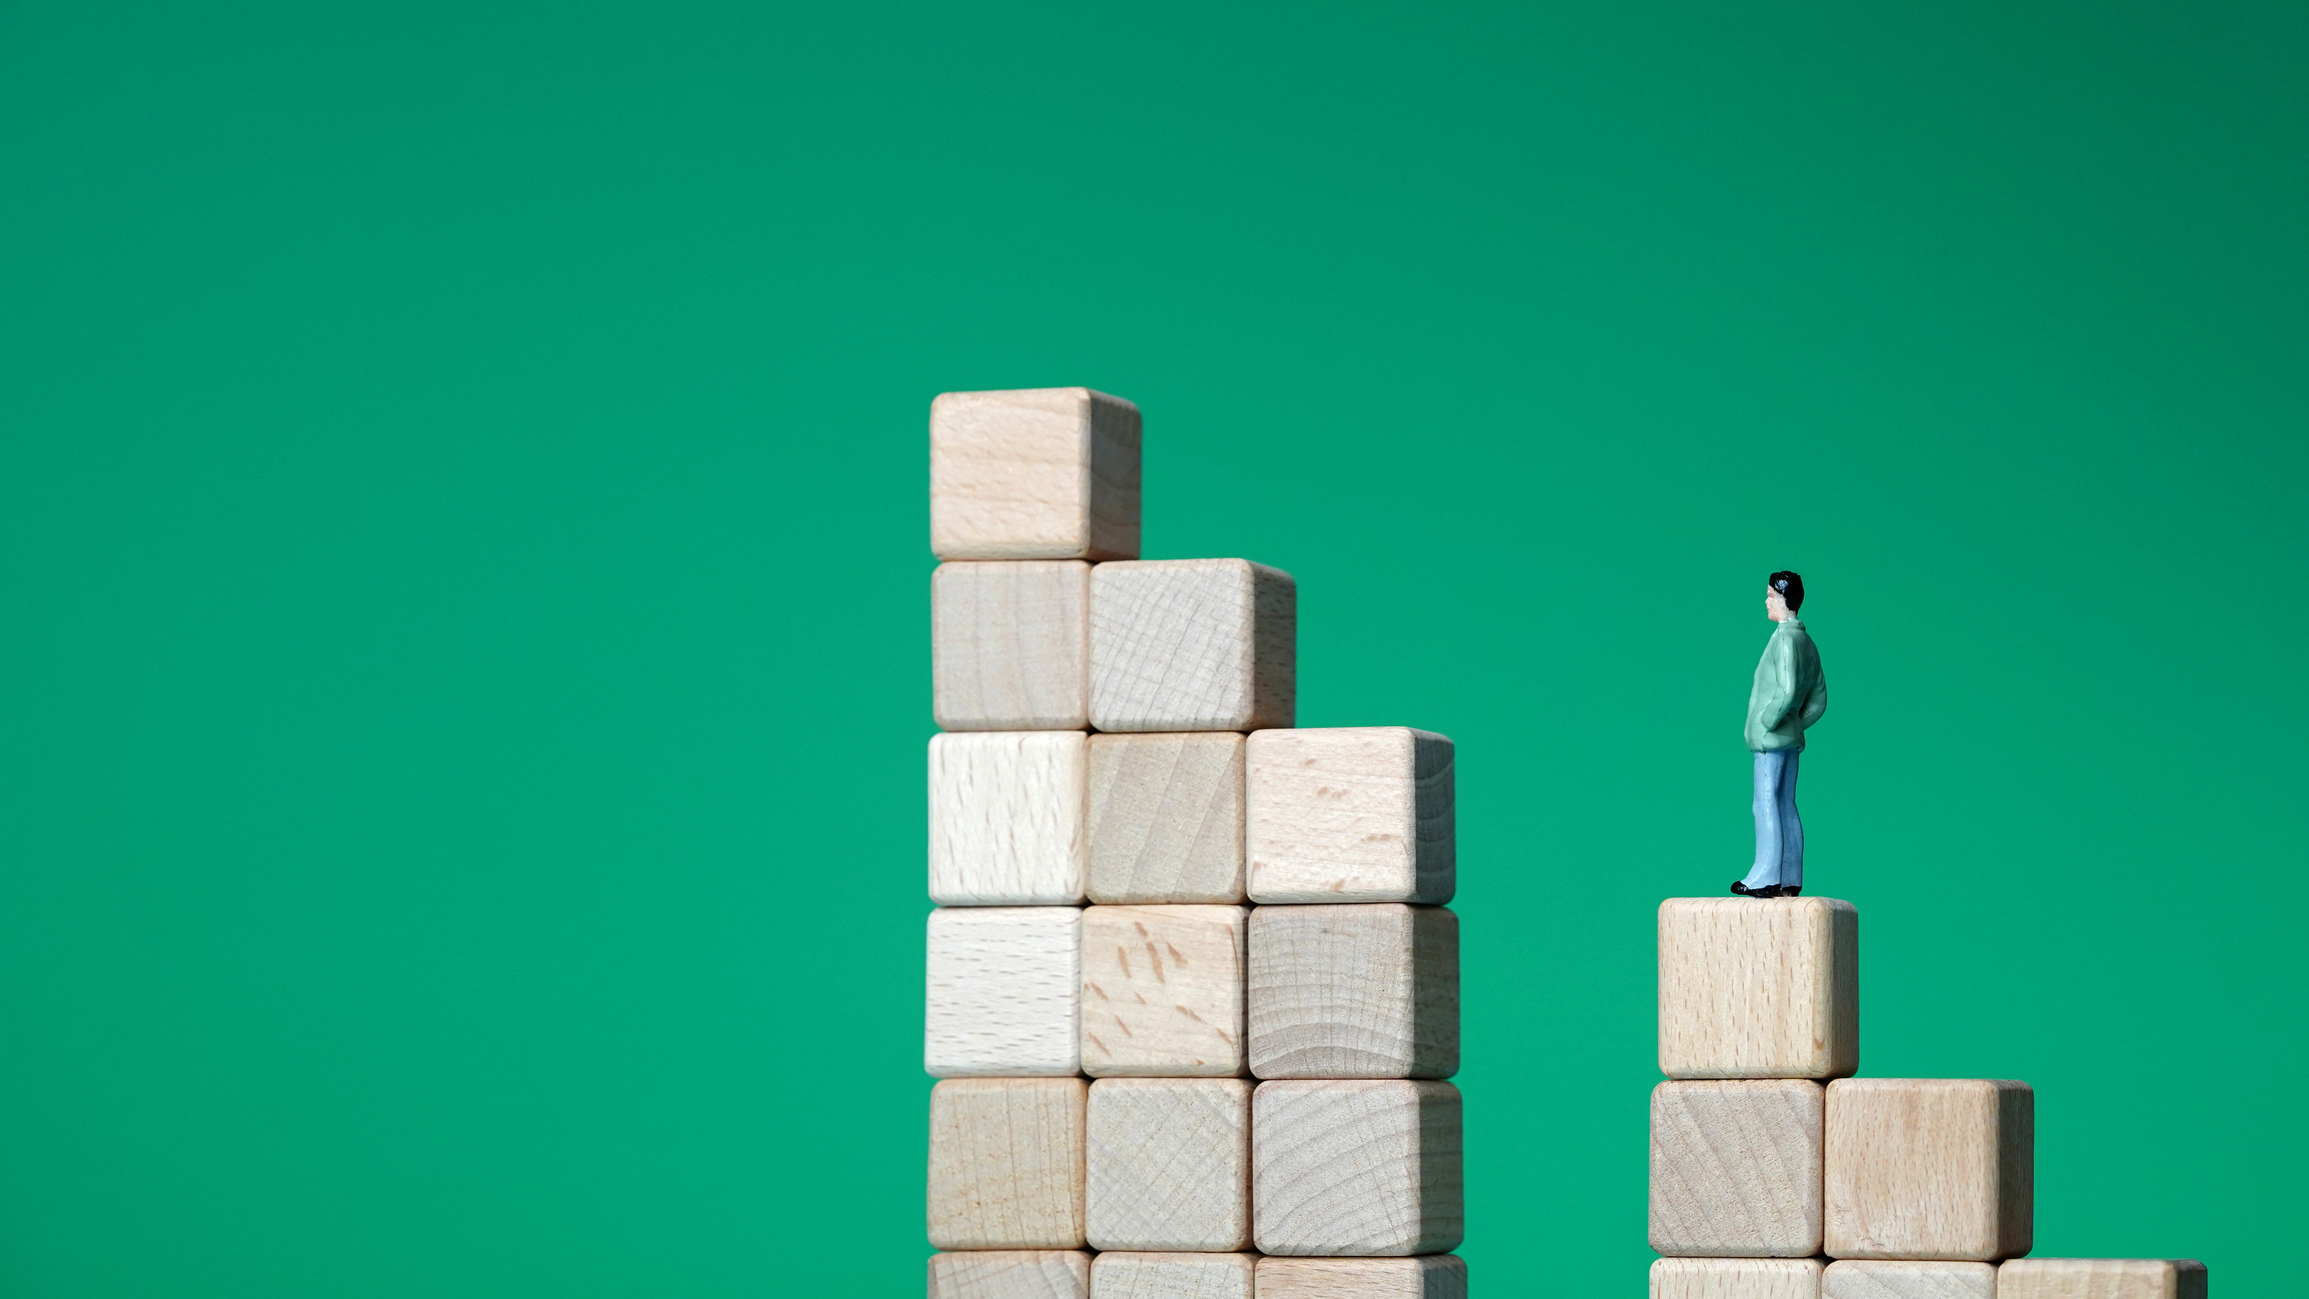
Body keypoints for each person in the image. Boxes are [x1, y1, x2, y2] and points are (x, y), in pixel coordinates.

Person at [1733, 571, 1826, 898]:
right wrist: (1796, 725)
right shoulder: (1807, 642)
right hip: (1789, 739)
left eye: (1771, 595)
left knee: (1765, 804)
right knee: (1785, 804)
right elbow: (1818, 699)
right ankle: (1790, 876)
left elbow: (1786, 691)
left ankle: (1766, 875)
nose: (1766, 600)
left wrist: (1766, 722)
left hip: (1772, 740)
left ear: (1784, 599)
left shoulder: (1785, 639)